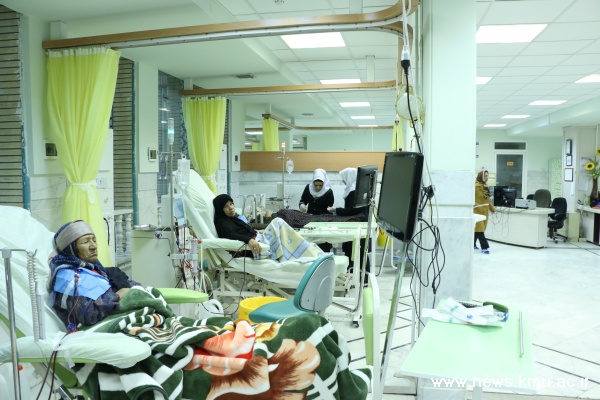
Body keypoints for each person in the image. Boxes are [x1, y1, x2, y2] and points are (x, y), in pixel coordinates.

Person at [47, 220, 140, 327]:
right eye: (85, 242)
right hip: (88, 330)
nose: (93, 246)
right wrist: (120, 294)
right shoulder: (68, 278)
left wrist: (136, 289)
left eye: (94, 240)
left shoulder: (92, 267)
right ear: (71, 248)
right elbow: (90, 315)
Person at [213, 193, 324, 262]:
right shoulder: (222, 223)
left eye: (231, 204)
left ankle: (308, 251)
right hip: (256, 247)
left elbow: (250, 227)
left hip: (259, 238)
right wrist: (249, 240)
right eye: (226, 206)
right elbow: (229, 235)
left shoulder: (234, 219)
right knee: (278, 222)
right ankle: (309, 253)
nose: (231, 208)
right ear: (220, 210)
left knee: (279, 223)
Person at [328, 168, 370, 274]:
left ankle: (356, 276)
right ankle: (360, 277)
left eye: (344, 178)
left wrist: (336, 210)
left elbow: (353, 210)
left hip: (356, 226)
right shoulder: (359, 189)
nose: (343, 180)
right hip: (358, 224)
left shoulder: (353, 191)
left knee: (355, 252)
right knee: (359, 252)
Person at [474, 170, 496, 254]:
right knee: (480, 230)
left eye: (487, 176)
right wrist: (472, 202)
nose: (487, 177)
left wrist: (492, 208)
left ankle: (472, 244)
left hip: (485, 211)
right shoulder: (475, 186)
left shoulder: (486, 187)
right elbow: (468, 196)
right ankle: (484, 247)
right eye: (485, 176)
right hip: (477, 211)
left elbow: (487, 201)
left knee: (478, 229)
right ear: (481, 176)